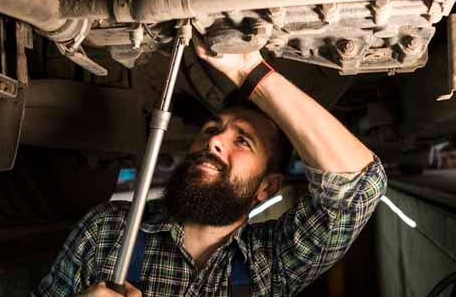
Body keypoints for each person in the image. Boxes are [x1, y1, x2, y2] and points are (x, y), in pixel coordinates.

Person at [33, 39, 387, 297]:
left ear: (267, 187)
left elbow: (359, 186)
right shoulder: (108, 231)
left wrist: (249, 70)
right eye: (211, 130)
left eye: (242, 140)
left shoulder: (272, 265)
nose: (214, 142)